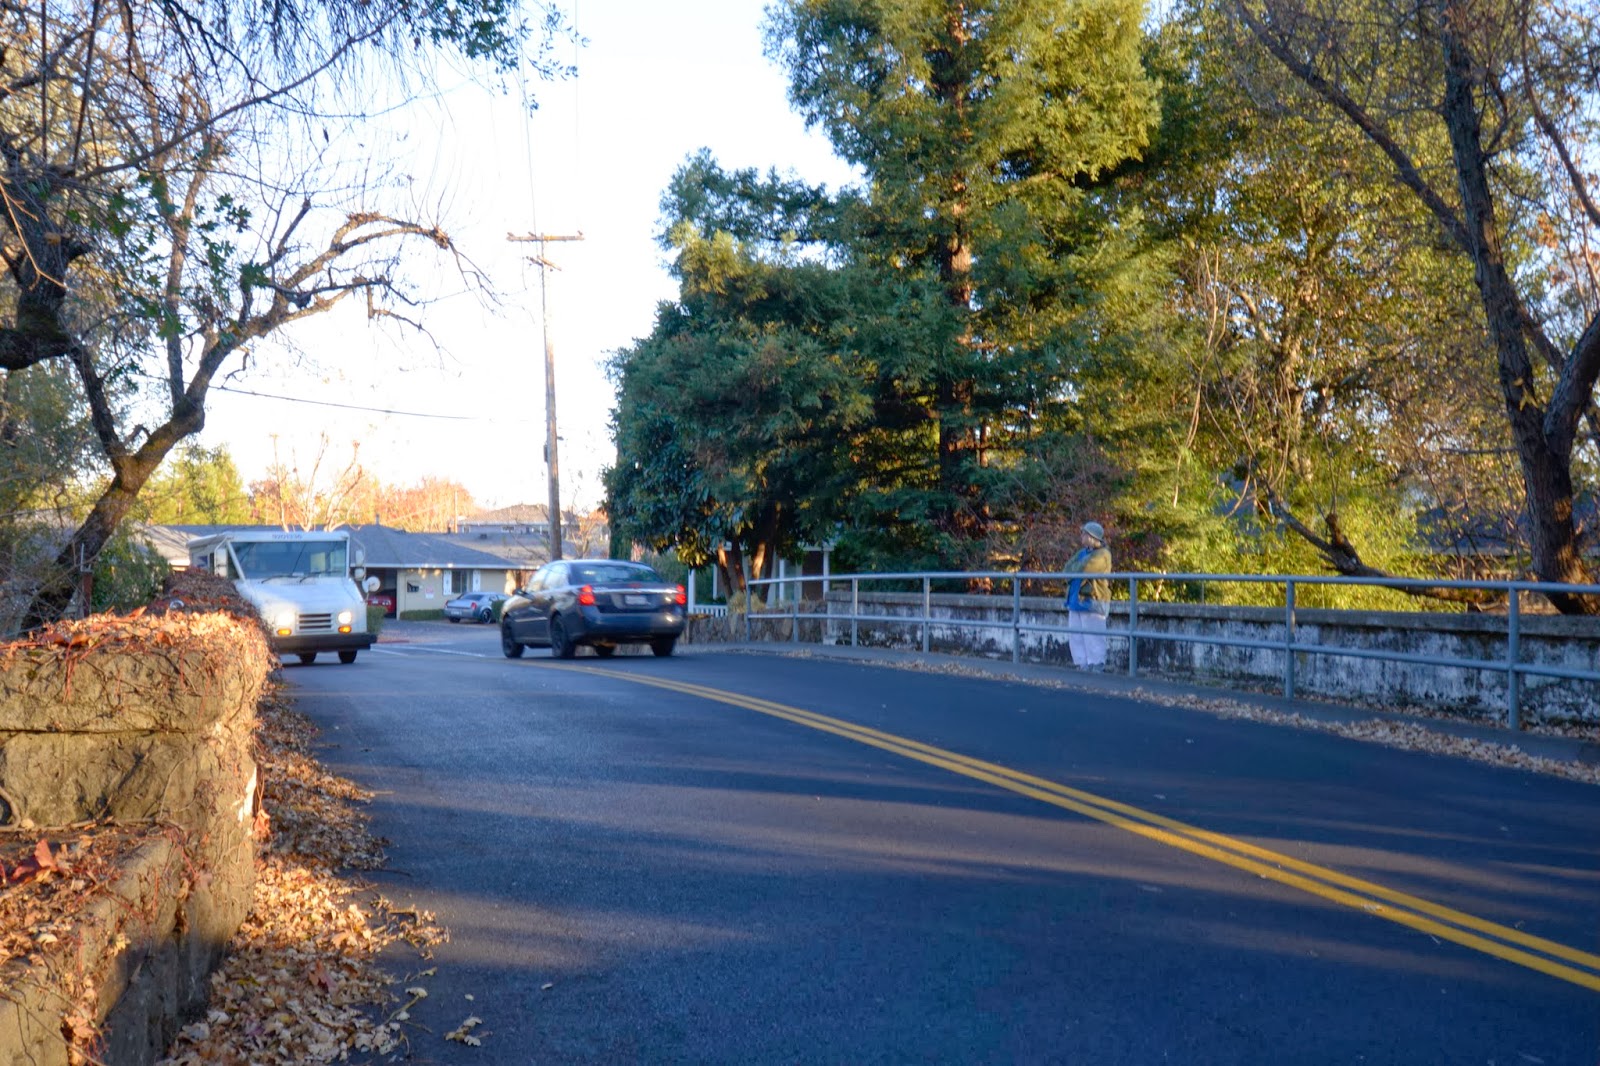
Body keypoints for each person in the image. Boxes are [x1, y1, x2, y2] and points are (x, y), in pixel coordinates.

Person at [1063, 521, 1112, 669]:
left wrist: (1078, 567)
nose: (1081, 536)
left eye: (1084, 533)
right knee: (1076, 636)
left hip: (1092, 600)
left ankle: (1096, 665)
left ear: (1092, 536)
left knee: (1093, 636)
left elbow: (1087, 569)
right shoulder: (1082, 552)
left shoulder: (1103, 554)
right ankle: (1082, 665)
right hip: (1076, 599)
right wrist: (1079, 566)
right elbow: (1066, 569)